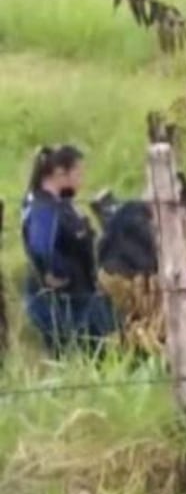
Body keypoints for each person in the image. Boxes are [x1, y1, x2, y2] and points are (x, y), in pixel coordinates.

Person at [21, 144, 119, 356]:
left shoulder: (61, 205)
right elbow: (40, 246)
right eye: (78, 173)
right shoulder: (44, 208)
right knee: (78, 355)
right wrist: (52, 274)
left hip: (78, 298)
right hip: (63, 305)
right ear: (60, 173)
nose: (81, 180)